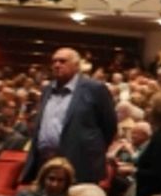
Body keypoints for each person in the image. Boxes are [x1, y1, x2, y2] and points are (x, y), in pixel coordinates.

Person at [22, 48, 117, 185]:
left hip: (80, 162)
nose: (57, 65)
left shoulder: (94, 89)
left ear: (77, 66)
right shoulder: (47, 89)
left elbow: (109, 126)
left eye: (62, 61)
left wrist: (90, 149)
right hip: (45, 161)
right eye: (54, 61)